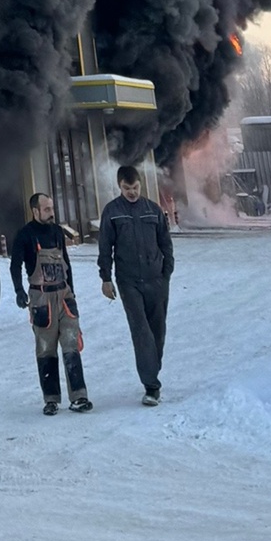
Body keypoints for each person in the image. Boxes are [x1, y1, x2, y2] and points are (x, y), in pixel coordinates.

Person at [9, 191, 92, 416]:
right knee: (46, 350)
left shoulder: (57, 232)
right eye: (46, 209)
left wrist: (72, 292)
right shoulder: (24, 235)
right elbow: (14, 265)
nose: (51, 213)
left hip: (63, 296)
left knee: (71, 345)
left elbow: (66, 263)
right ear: (35, 211)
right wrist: (18, 291)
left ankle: (79, 396)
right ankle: (51, 399)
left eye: (52, 208)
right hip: (41, 299)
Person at [98, 163, 174, 406]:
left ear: (140, 184)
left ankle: (152, 367)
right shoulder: (112, 212)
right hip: (129, 281)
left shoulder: (153, 210)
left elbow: (166, 242)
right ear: (119, 186)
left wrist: (167, 272)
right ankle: (151, 386)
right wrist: (106, 278)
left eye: (135, 187)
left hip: (156, 280)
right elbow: (104, 247)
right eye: (126, 188)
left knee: (157, 330)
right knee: (141, 331)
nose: (132, 192)